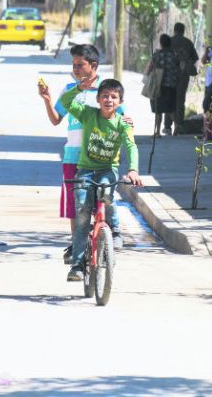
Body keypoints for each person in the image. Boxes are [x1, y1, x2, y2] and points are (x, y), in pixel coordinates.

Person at [37, 44, 131, 263]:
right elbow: (55, 120)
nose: (76, 69)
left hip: (101, 157)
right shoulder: (70, 89)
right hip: (72, 156)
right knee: (75, 207)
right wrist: (48, 100)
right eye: (73, 64)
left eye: (80, 65)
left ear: (94, 66)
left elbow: (122, 118)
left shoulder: (107, 91)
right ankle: (76, 244)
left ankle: (109, 235)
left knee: (104, 199)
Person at [59, 77, 144, 282]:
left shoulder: (122, 124)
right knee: (82, 214)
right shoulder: (88, 115)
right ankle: (77, 265)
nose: (109, 100)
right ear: (97, 99)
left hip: (107, 170)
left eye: (114, 97)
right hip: (85, 171)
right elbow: (65, 103)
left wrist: (133, 170)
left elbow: (131, 146)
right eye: (104, 96)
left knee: (107, 194)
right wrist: (79, 88)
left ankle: (114, 230)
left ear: (120, 102)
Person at [144, 34, 182, 137]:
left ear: (161, 43)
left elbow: (150, 68)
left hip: (158, 85)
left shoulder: (157, 55)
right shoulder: (175, 55)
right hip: (171, 85)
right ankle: (177, 125)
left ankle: (157, 132)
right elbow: (179, 68)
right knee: (170, 108)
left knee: (158, 109)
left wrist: (146, 77)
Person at [170, 22, 199, 135]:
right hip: (183, 75)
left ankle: (168, 126)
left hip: (170, 76)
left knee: (170, 99)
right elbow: (195, 58)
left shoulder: (169, 41)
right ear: (183, 30)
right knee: (180, 100)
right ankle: (180, 125)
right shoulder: (188, 42)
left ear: (174, 30)